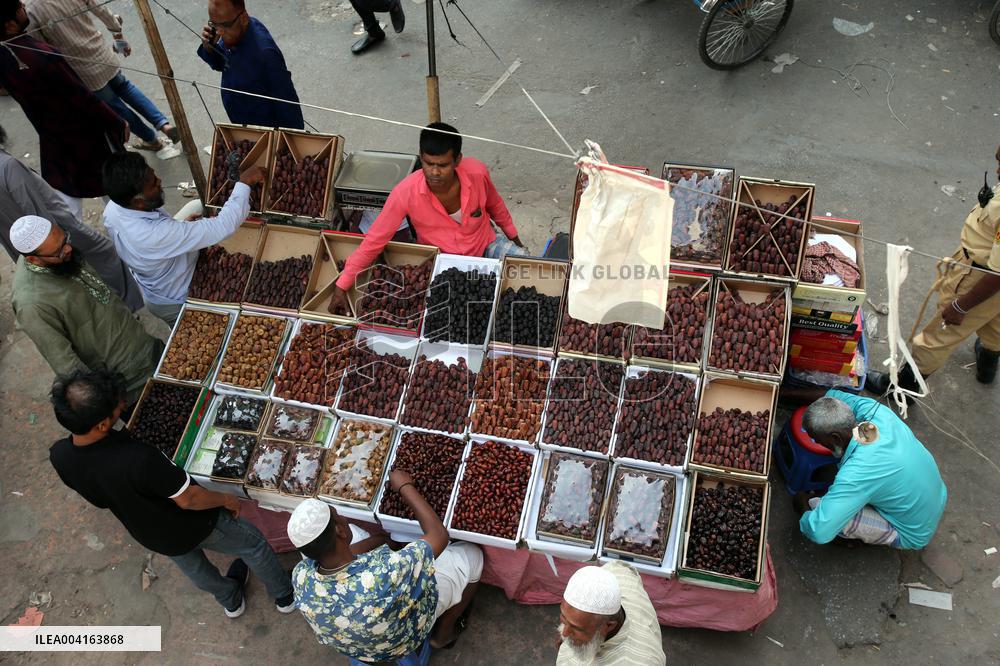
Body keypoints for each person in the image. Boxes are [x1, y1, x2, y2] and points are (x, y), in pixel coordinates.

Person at [48, 370, 296, 618]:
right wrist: (226, 499)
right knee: (253, 545)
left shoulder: (60, 455)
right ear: (102, 425)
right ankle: (284, 595)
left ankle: (230, 599)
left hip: (150, 532)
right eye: (116, 407)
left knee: (195, 568)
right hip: (194, 523)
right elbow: (189, 499)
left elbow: (100, 501)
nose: (123, 405)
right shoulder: (138, 459)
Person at [328, 123, 528, 312]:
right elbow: (373, 241)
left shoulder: (477, 173)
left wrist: (515, 239)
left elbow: (495, 205)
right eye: (428, 163)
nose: (434, 172)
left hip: (486, 245)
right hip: (444, 262)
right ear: (421, 158)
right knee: (468, 312)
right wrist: (342, 284)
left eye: (442, 165)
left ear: (457, 160)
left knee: (529, 268)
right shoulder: (405, 193)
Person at [289, 471, 481, 665]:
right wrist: (404, 487)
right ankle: (443, 635)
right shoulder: (386, 573)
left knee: (356, 534)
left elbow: (348, 554)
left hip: (357, 644)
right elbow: (439, 535)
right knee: (472, 555)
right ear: (339, 530)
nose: (343, 518)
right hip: (404, 635)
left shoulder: (300, 575)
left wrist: (382, 542)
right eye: (338, 515)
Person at [868, 144, 1000, 392]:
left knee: (937, 337)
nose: (997, 169)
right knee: (995, 323)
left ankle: (903, 388)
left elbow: (997, 274)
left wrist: (961, 306)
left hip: (982, 278)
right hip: (990, 275)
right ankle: (989, 362)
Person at [9, 216, 161, 404]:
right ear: (33, 259)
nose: (68, 249)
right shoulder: (31, 304)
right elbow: (66, 364)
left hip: (142, 343)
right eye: (59, 251)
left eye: (65, 240)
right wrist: (106, 400)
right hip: (125, 378)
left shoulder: (61, 256)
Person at [101, 151, 263, 327]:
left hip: (156, 276)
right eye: (154, 184)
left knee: (194, 205)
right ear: (138, 202)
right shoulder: (154, 235)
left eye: (154, 175)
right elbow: (223, 226)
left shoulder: (113, 209)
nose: (160, 181)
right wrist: (244, 183)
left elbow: (154, 241)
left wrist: (178, 229)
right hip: (174, 299)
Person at [0, 0, 128, 218]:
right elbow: (80, 95)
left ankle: (74, 239)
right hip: (83, 134)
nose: (23, 5)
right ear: (9, 25)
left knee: (68, 199)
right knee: (114, 186)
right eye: (18, 8)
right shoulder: (39, 55)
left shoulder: (8, 54)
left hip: (52, 136)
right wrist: (116, 122)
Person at [0, 125, 142, 311]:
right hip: (54, 235)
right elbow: (36, 211)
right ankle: (127, 306)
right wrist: (58, 247)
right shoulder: (8, 166)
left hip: (26, 246)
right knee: (104, 254)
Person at [794, 391, 947, 549]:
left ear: (835, 438)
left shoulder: (857, 474)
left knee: (817, 506)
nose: (816, 442)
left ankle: (851, 540)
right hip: (936, 496)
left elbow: (818, 531)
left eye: (817, 439)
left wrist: (801, 505)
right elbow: (831, 393)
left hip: (913, 531)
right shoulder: (875, 412)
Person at [25, 0, 179, 153]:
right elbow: (102, 11)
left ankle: (151, 140)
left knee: (117, 107)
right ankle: (163, 124)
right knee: (126, 88)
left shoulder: (31, 9)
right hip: (102, 54)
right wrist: (118, 37)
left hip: (83, 70)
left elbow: (43, 50)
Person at [196, 0, 304, 129]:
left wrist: (291, 142)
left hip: (264, 131)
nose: (219, 33)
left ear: (243, 17)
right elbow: (220, 64)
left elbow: (288, 105)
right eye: (214, 24)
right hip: (241, 121)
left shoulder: (266, 54)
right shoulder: (232, 32)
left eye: (224, 25)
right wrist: (209, 48)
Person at [556, 562, 665, 666]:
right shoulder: (617, 571)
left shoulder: (640, 662)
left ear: (609, 626)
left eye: (577, 629)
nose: (564, 633)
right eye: (564, 619)